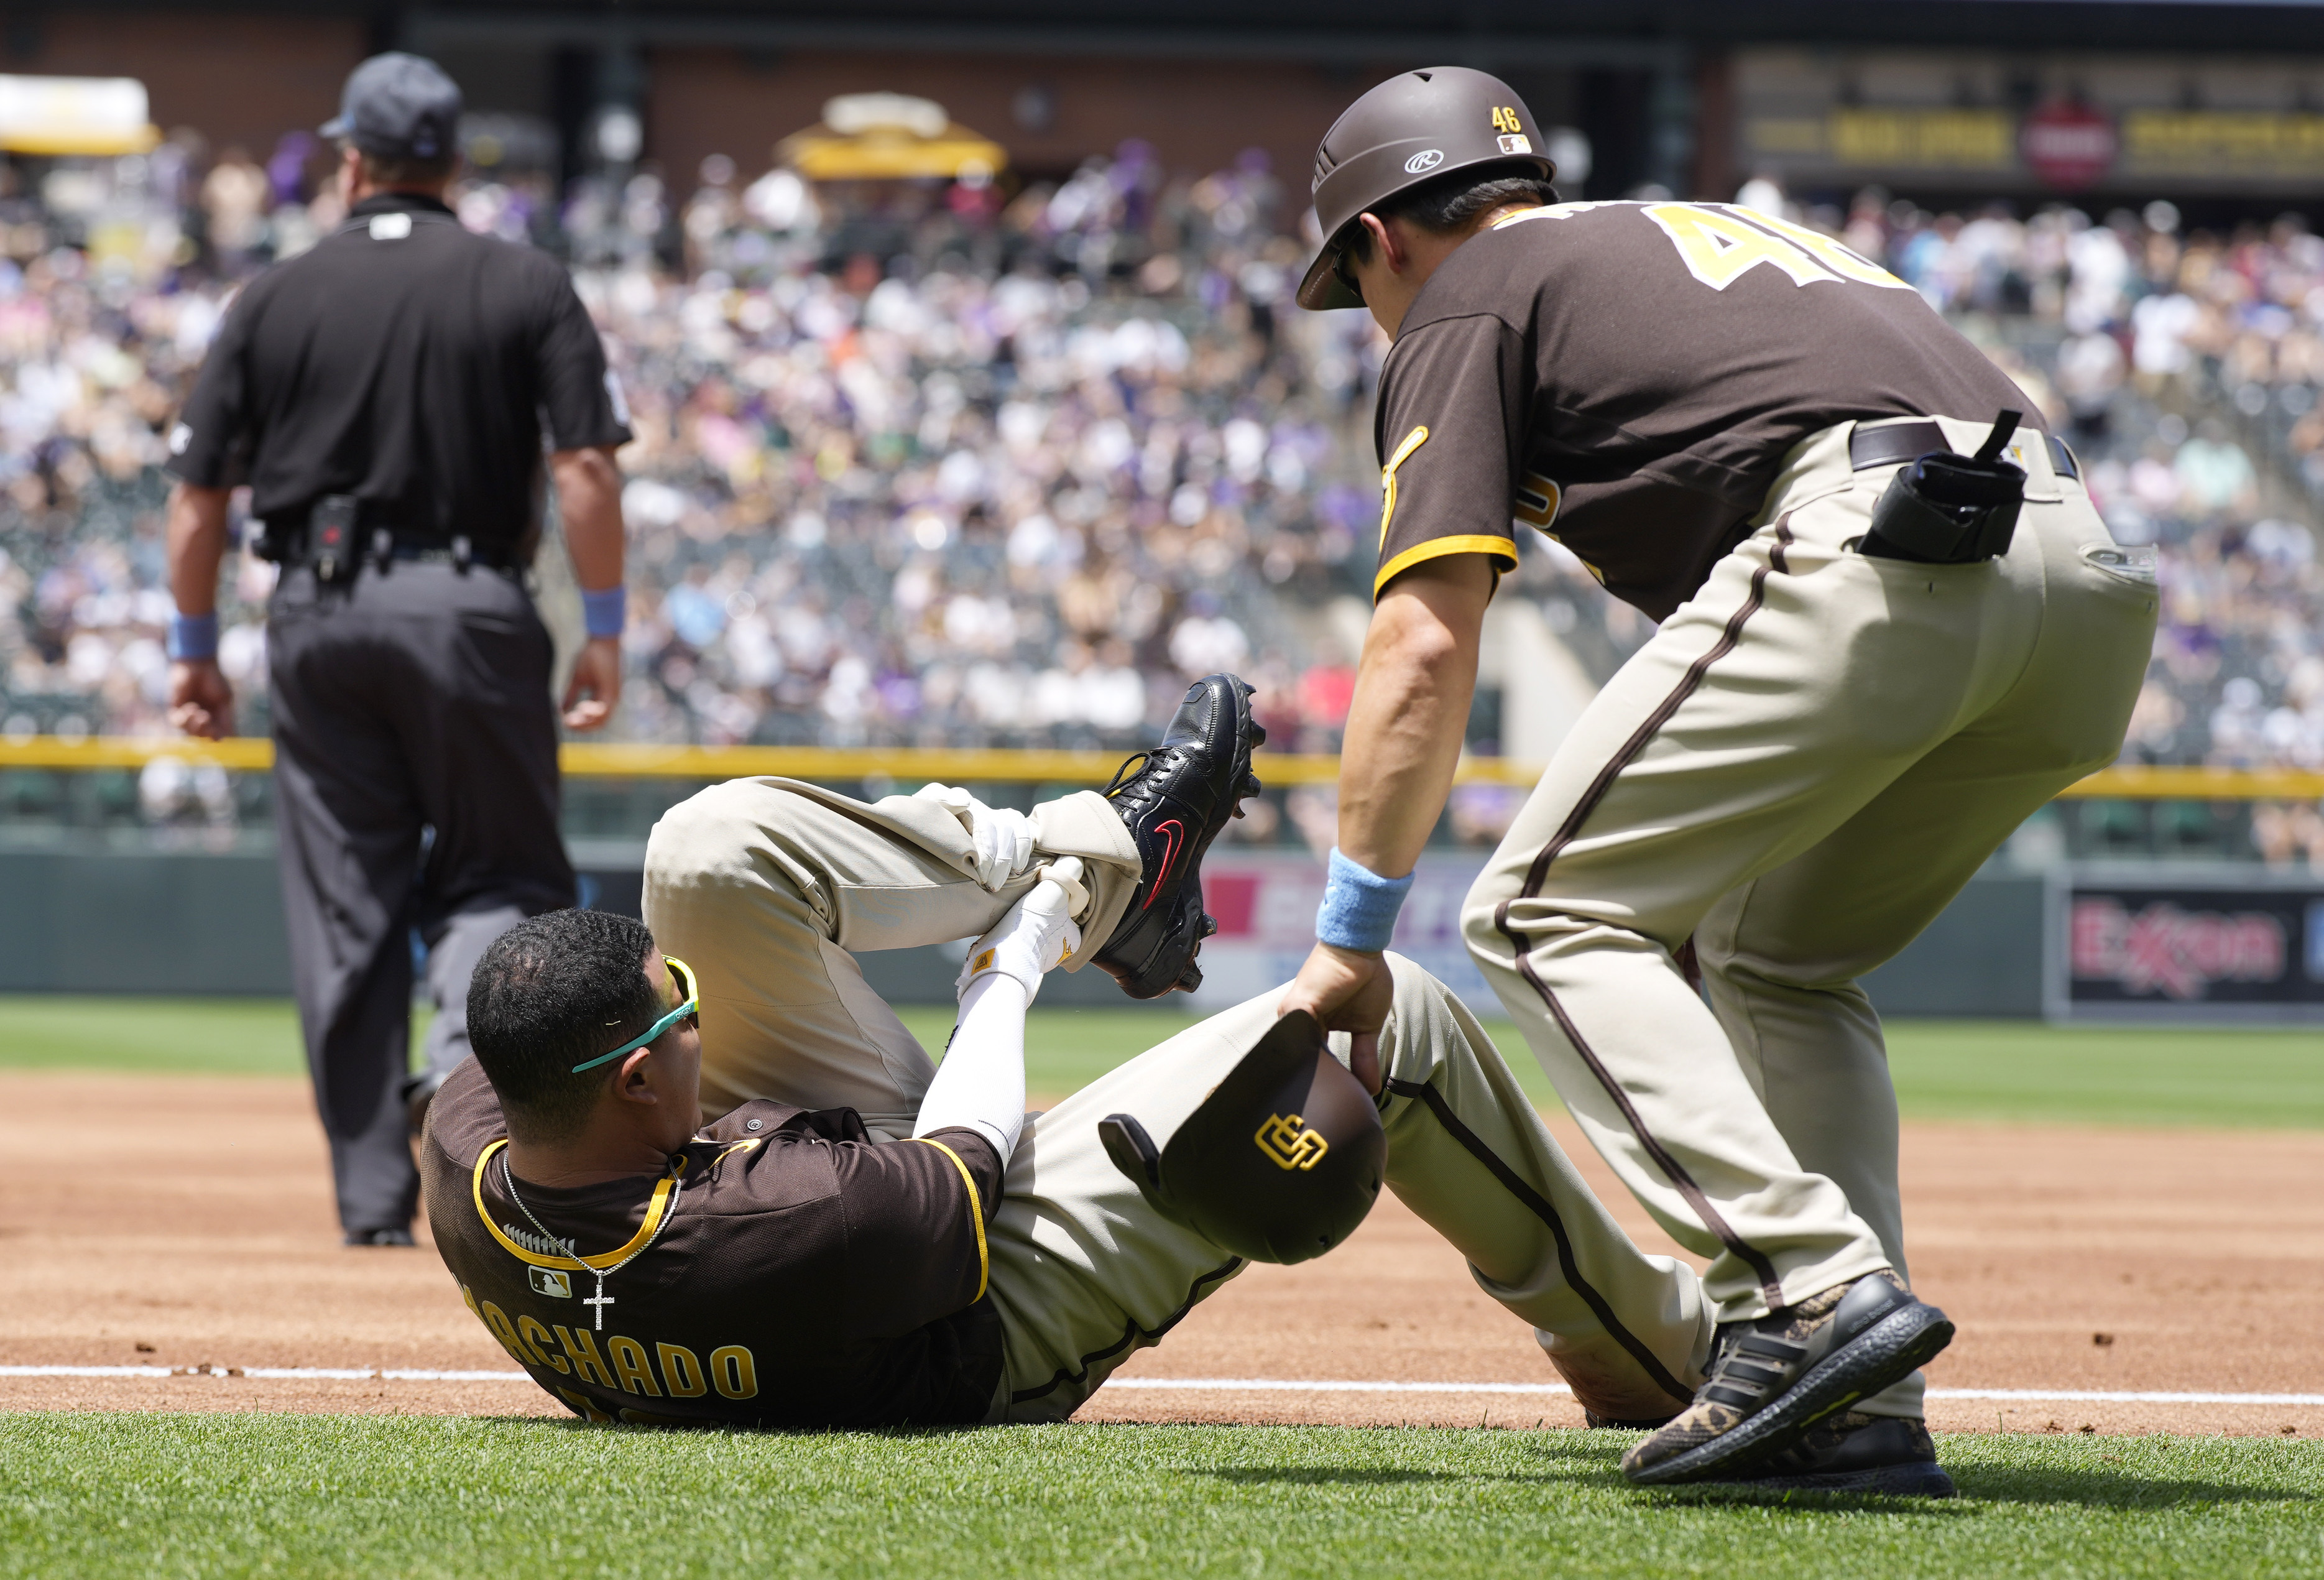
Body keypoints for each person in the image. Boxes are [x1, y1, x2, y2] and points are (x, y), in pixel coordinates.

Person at [1277, 68, 2156, 1493]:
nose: (1367, 315)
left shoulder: (1468, 290)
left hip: (1878, 537)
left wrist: (1350, 939)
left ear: (1384, 234)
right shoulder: (1669, 250)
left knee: (1540, 912)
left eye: (1351, 282)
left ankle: (1807, 1294)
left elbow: (1422, 640)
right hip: (2086, 589)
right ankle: (1858, 1408)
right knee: (1774, 956)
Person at [421, 676, 1717, 1434]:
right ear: (641, 1075)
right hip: (968, 1298)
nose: (699, 1001)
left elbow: (557, 1065)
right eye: (681, 1001)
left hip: (777, 1192)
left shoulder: (468, 1142)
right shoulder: (804, 1215)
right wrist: (1019, 958)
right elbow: (961, 1155)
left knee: (705, 851)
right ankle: (1643, 1340)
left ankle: (1097, 862)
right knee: (1408, 1016)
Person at [164, 53, 635, 1246]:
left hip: (317, 619)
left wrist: (194, 648)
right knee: (500, 877)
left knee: (345, 911)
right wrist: (606, 630)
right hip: (473, 609)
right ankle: (459, 1082)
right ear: (454, 169)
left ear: (354, 164)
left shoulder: (270, 296)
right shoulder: (525, 281)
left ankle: (372, 1205)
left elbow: (198, 500)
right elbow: (583, 469)